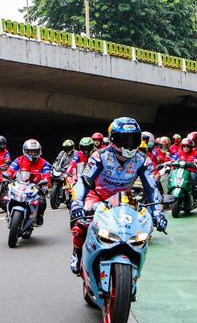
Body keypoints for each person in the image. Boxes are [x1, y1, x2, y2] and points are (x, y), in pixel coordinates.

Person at [68, 117, 167, 275]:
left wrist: (158, 213)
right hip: (97, 197)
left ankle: (133, 268)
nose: (129, 144)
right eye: (124, 139)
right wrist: (77, 203)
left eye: (133, 139)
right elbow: (83, 181)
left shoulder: (143, 160)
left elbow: (152, 188)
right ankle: (77, 252)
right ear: (113, 139)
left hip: (125, 199)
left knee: (141, 229)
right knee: (81, 222)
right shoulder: (99, 156)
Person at [5, 139, 50, 226]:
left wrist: (45, 183)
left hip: (36, 187)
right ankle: (8, 213)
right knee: (6, 197)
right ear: (25, 151)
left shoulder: (44, 163)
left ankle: (39, 216)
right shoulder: (19, 160)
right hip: (20, 185)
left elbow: (46, 176)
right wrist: (6, 177)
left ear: (39, 151)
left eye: (35, 151)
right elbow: (10, 171)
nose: (33, 154)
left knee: (42, 201)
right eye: (30, 151)